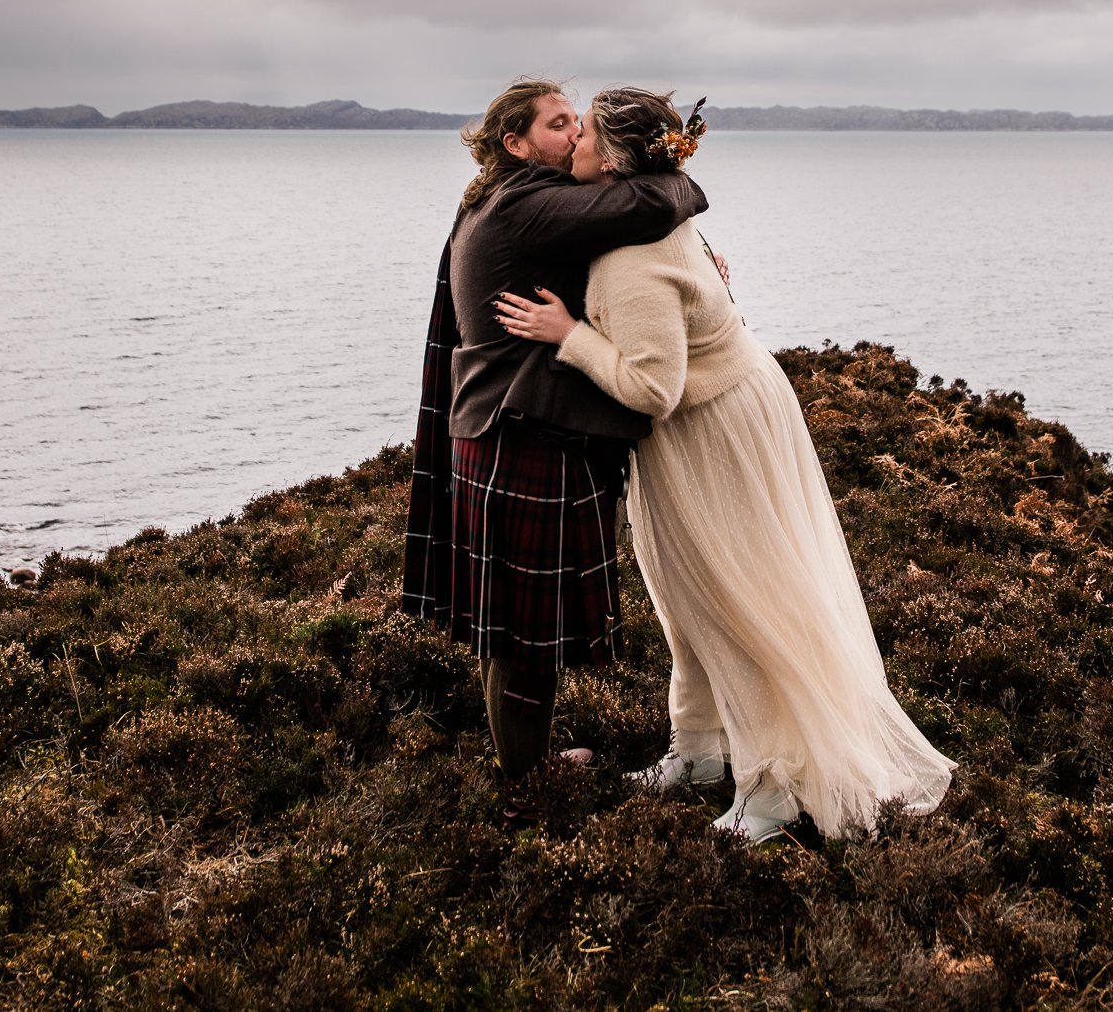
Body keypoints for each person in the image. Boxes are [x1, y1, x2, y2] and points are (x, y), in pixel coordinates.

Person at [495, 88, 954, 841]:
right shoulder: (649, 215)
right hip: (720, 416)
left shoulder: (628, 258)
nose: (573, 136)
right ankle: (700, 748)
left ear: (609, 162)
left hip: (709, 433)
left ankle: (771, 787)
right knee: (686, 600)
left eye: (584, 134)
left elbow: (653, 387)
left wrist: (568, 333)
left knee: (735, 602)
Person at [401, 78, 707, 826]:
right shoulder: (527, 202)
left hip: (503, 429)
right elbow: (650, 201)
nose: (576, 134)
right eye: (560, 123)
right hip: (521, 434)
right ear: (516, 142)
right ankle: (523, 790)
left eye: (579, 122)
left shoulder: (496, 197)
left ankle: (523, 764)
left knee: (509, 627)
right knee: (521, 637)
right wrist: (674, 162)